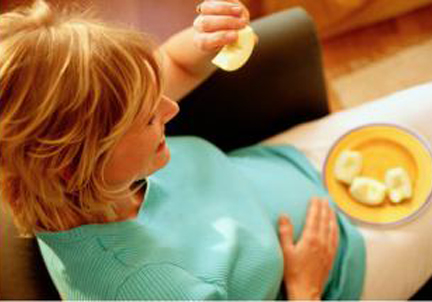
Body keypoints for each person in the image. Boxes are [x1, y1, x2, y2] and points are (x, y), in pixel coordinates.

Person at [0, 0, 431, 300]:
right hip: (341, 266)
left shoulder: (90, 141)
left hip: (284, 163)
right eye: (149, 119)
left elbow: (178, 64)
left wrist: (208, 39)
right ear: (71, 168)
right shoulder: (147, 289)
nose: (170, 109)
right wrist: (305, 288)